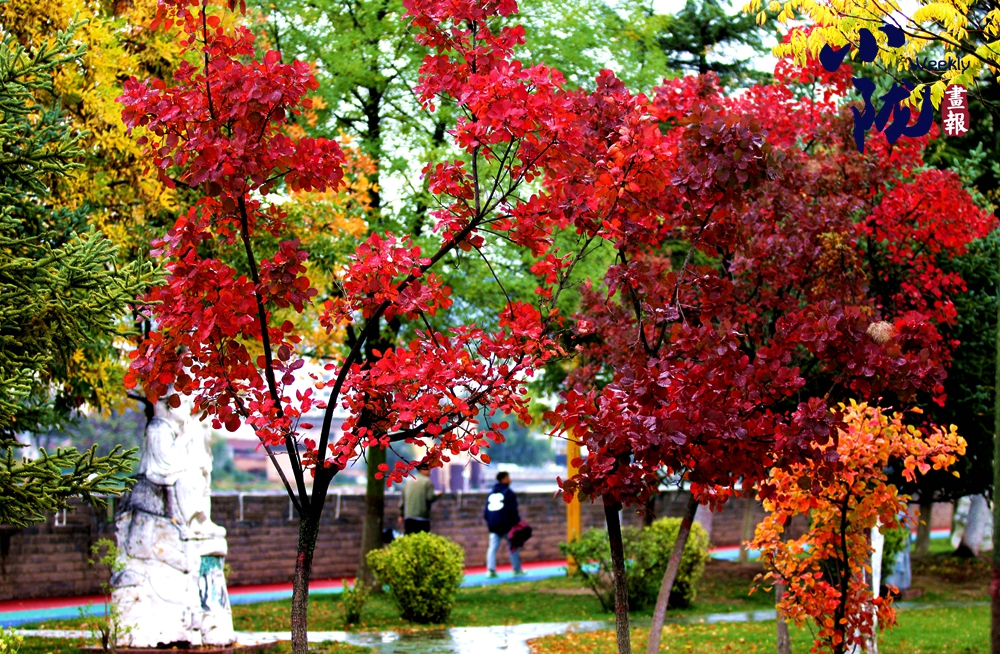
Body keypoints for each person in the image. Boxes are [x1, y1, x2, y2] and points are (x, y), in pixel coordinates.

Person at [484, 471, 524, 578]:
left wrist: (491, 523)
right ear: (503, 479)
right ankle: (517, 570)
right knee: (513, 546)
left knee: (492, 548)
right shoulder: (508, 493)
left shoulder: (491, 493)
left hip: (494, 526)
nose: (510, 479)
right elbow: (513, 511)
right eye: (508, 477)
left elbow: (486, 512)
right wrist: (515, 524)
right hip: (507, 526)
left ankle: (490, 570)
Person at [398, 463, 440, 535]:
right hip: (422, 517)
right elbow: (430, 497)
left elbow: (403, 500)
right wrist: (438, 495)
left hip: (409, 516)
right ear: (422, 470)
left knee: (410, 538)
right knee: (422, 538)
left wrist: (401, 515)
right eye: (428, 470)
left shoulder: (408, 482)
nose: (430, 472)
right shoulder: (427, 482)